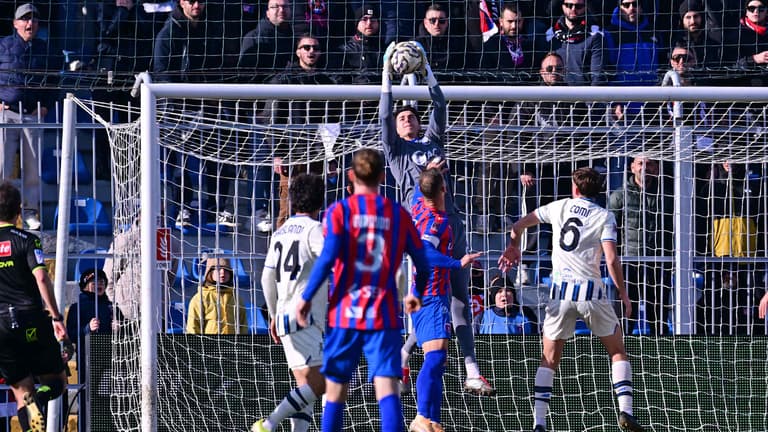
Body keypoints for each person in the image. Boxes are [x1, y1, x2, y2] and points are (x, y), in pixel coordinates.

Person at [380, 41, 495, 397]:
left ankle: (472, 370)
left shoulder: (433, 141)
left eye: (411, 115)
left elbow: (441, 104)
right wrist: (386, 76)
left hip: (452, 225)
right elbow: (384, 115)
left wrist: (427, 70)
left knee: (459, 297)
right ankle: (403, 352)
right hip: (420, 232)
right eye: (402, 117)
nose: (407, 119)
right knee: (432, 298)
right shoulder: (397, 153)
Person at [498, 167, 645, 432]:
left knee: (549, 359)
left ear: (575, 189)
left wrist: (513, 246)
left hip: (560, 294)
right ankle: (625, 411)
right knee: (618, 351)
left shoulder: (560, 207)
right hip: (592, 294)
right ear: (598, 192)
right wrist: (623, 293)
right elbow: (611, 259)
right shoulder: (605, 216)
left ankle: (539, 422)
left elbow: (519, 224)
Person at [295, 148, 431, 432]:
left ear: (350, 176)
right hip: (383, 313)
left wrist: (306, 298)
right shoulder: (398, 214)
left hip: (346, 312)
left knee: (335, 392)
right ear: (383, 176)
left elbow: (328, 258)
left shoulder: (339, 211)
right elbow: (423, 262)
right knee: (386, 390)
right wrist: (415, 292)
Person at [408, 168, 482, 432]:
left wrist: (431, 169)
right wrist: (457, 262)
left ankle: (433, 421)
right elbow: (425, 252)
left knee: (437, 358)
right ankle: (420, 417)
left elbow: (423, 187)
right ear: (444, 190)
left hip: (421, 292)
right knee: (437, 358)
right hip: (432, 295)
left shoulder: (417, 205)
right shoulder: (436, 221)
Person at [252, 174, 327, 432]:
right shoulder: (314, 230)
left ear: (293, 201)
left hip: (284, 318)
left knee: (306, 392)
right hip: (306, 318)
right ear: (320, 203)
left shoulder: (280, 232)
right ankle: (269, 423)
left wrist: (272, 315)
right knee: (324, 383)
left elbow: (266, 278)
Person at [0, 181, 68, 432]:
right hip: (29, 318)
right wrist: (56, 317)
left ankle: (32, 408)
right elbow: (41, 277)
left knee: (21, 392)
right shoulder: (27, 240)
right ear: (18, 211)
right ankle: (40, 398)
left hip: (1, 326)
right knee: (57, 381)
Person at [0, 3, 55, 231]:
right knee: (2, 165)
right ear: (15, 23)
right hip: (7, 113)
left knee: (32, 168)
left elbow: (53, 80)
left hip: (32, 115)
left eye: (33, 19)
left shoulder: (44, 48)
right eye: (24, 19)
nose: (29, 23)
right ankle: (2, 212)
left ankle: (30, 211)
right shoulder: (3, 45)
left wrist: (47, 106)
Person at [608, 156, 673, 335]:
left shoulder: (667, 196)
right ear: (632, 167)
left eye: (650, 163)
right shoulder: (619, 196)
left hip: (658, 262)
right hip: (629, 263)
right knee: (626, 316)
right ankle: (622, 358)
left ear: (657, 168)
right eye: (641, 163)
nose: (645, 167)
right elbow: (611, 233)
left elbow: (673, 229)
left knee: (659, 318)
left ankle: (661, 356)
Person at [545, 0, 605, 86]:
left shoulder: (595, 35)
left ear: (585, 7)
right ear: (562, 6)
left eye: (578, 6)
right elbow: (543, 73)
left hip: (584, 96)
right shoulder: (550, 35)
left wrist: (592, 98)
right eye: (569, 5)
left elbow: (598, 77)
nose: (573, 9)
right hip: (555, 96)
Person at [66, 268, 115, 365]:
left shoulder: (111, 307)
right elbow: (71, 335)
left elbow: (124, 329)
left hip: (111, 358)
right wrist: (87, 328)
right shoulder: (77, 308)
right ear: (85, 287)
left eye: (102, 281)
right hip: (87, 360)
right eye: (94, 282)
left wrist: (118, 327)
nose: (99, 284)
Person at [186, 258, 248, 334]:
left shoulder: (236, 299)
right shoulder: (200, 298)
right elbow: (193, 328)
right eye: (218, 269)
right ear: (210, 272)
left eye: (226, 270)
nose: (222, 272)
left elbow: (243, 326)